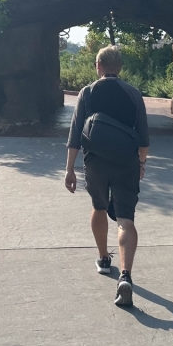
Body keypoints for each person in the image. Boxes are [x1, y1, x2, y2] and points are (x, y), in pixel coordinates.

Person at [64, 45, 149, 307]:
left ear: (98, 66)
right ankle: (126, 275)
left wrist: (69, 169)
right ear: (119, 67)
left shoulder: (87, 93)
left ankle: (103, 259)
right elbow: (143, 139)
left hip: (95, 163)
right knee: (125, 219)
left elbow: (75, 134)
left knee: (99, 207)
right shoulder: (133, 94)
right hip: (126, 162)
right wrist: (141, 163)